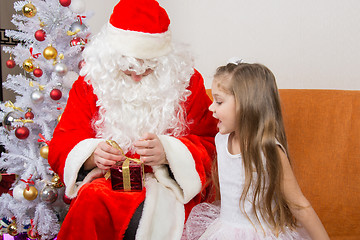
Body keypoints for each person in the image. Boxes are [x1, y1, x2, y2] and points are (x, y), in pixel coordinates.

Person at [48, 0, 218, 239]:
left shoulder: (187, 82)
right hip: (105, 184)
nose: (137, 76)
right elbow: (62, 143)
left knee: (145, 219)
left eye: (148, 68)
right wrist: (91, 155)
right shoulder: (91, 82)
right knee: (90, 203)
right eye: (127, 69)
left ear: (164, 59)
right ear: (111, 57)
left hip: (167, 187)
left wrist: (169, 152)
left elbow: (211, 145)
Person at [182, 60, 330, 240]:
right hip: (224, 230)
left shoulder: (268, 151)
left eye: (219, 101)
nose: (211, 107)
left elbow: (299, 205)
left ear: (246, 105)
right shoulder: (221, 140)